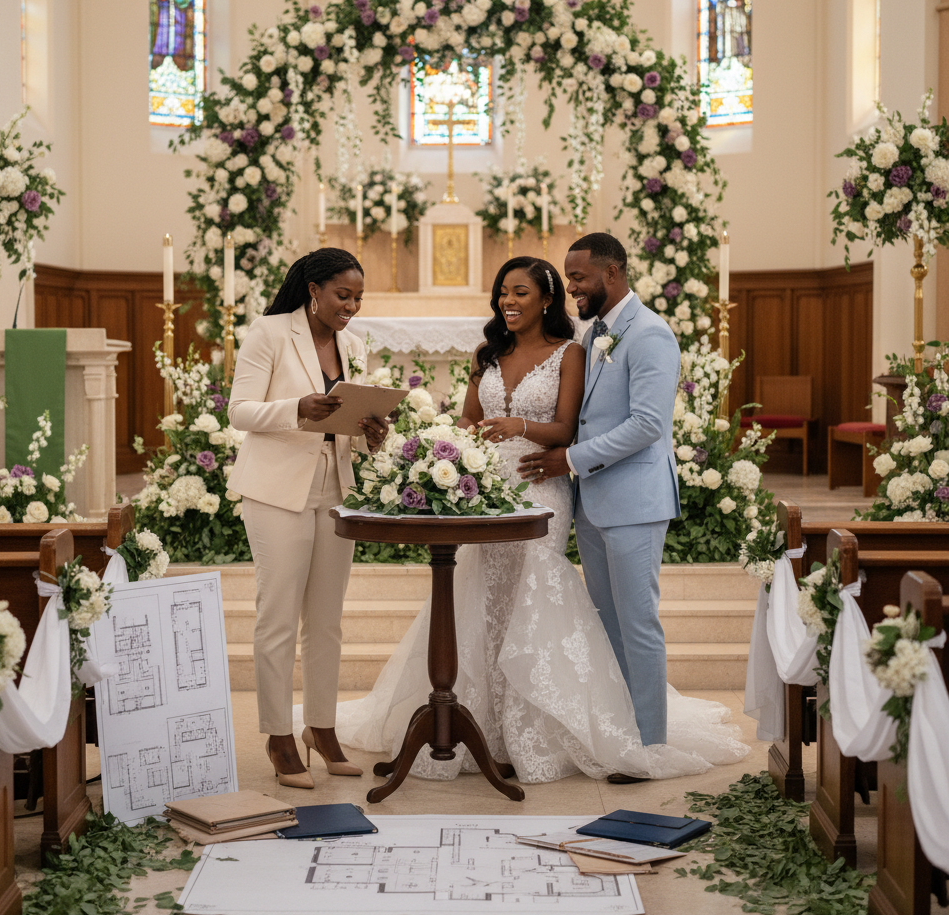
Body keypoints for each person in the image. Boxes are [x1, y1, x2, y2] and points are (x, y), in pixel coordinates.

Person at [317, 255, 748, 783]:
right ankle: (482, 724)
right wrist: (458, 448)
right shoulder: (485, 352)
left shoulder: (574, 352)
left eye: (520, 292)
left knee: (541, 596)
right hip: (485, 486)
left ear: (547, 299)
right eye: (502, 292)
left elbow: (569, 427)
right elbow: (470, 417)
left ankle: (551, 729)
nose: (508, 301)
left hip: (543, 484)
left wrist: (520, 425)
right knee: (482, 596)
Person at [519, 232, 683, 780]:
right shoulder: (595, 334)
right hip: (594, 502)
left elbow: (648, 425)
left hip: (634, 499)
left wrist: (571, 459)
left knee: (638, 623)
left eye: (579, 278)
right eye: (568, 278)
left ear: (612, 274)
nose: (571, 288)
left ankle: (651, 746)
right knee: (606, 621)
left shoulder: (651, 334)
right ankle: (621, 735)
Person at [228, 248, 388, 789]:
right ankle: (278, 736)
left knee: (326, 621)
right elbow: (240, 411)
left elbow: (348, 422)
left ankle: (322, 728)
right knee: (277, 618)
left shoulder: (354, 346)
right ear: (314, 289)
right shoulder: (270, 332)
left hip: (332, 487)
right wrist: (297, 407)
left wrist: (371, 434)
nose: (352, 307)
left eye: (359, 298)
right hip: (275, 490)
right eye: (344, 295)